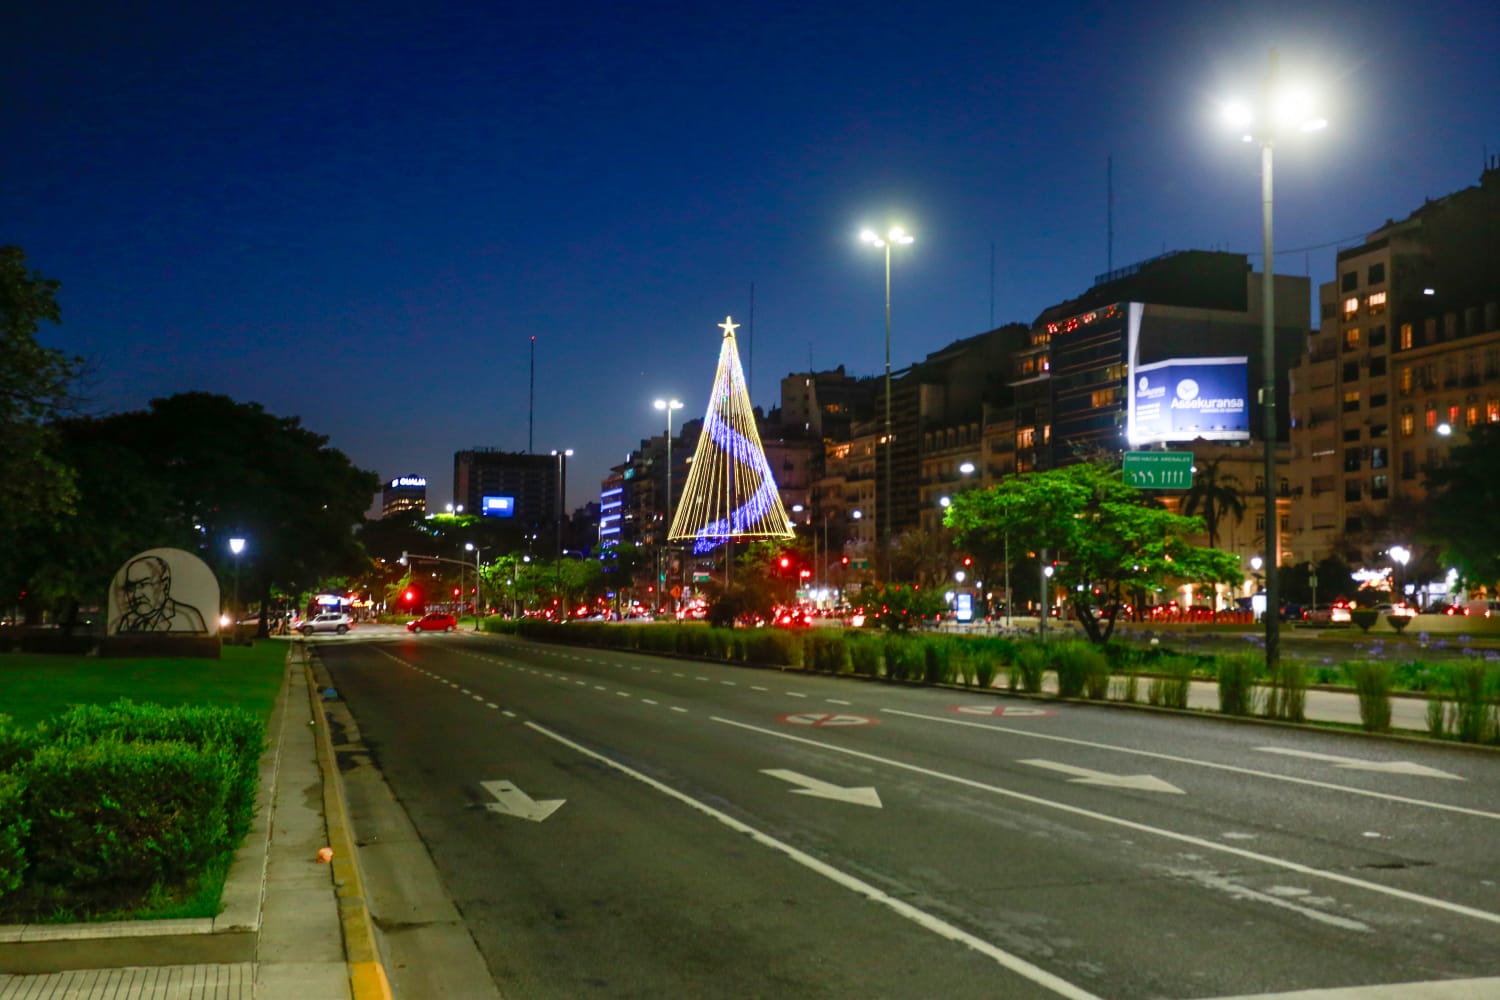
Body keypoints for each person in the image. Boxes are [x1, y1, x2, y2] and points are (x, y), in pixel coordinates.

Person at [113, 555, 208, 634]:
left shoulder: (186, 616)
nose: (136, 595)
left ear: (165, 585)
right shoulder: (127, 621)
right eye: (131, 588)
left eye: (143, 584)